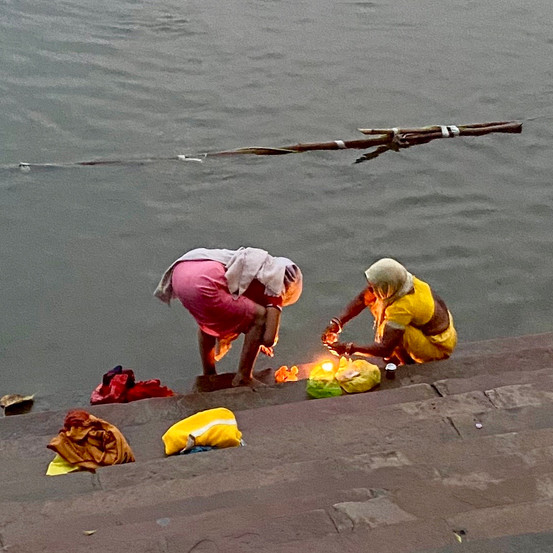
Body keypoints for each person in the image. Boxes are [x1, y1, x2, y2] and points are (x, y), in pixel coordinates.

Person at [154, 247, 303, 387]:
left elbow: (239, 312)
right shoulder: (275, 287)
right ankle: (244, 377)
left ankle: (209, 374)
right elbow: (269, 339)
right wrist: (263, 335)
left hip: (182, 273)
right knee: (260, 316)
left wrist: (255, 333)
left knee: (207, 325)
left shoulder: (257, 270)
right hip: (204, 282)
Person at [321, 257, 456, 365]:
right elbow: (363, 299)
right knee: (376, 300)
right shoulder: (401, 282)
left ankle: (407, 364)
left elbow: (385, 349)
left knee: (394, 331)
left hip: (438, 347)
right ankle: (400, 355)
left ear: (387, 285)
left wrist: (349, 348)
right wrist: (338, 323)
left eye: (373, 286)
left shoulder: (402, 307)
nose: (370, 289)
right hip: (441, 332)